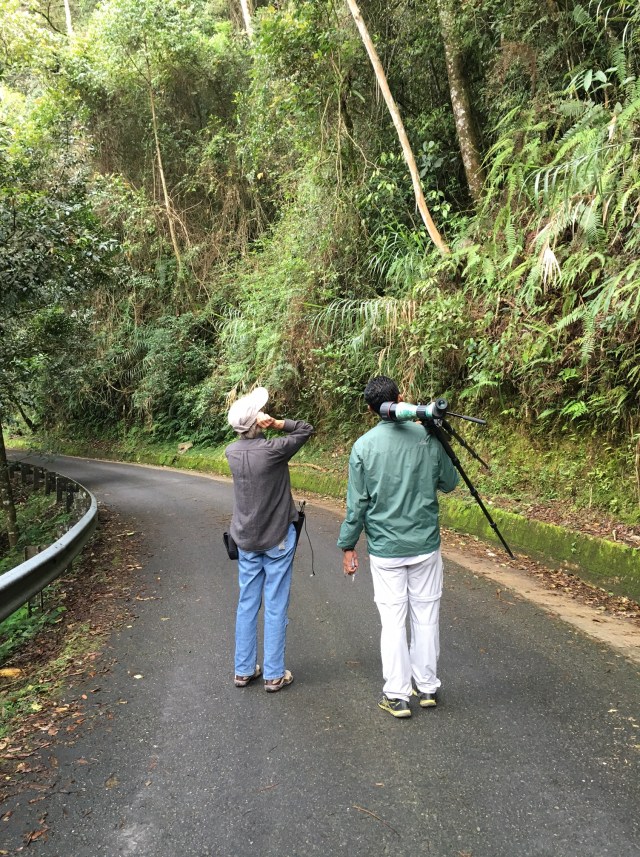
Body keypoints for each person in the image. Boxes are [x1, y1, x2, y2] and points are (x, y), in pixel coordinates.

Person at [337, 375, 459, 718]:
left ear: (370, 409)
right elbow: (449, 482)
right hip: (424, 546)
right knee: (426, 615)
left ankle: (397, 695)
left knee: (393, 621)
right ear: (401, 398)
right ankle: (428, 686)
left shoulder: (363, 446)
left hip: (386, 550)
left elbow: (356, 504)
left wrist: (348, 545)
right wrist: (435, 432)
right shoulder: (426, 437)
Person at [225, 387, 314, 692]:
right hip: (277, 538)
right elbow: (305, 429)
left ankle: (243, 669)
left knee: (247, 603)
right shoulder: (273, 451)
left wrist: (256, 424)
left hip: (245, 539)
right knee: (276, 604)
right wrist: (277, 424)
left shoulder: (231, 452)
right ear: (257, 422)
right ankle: (274, 674)